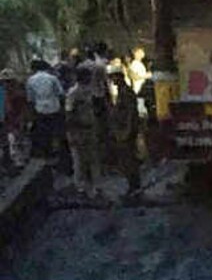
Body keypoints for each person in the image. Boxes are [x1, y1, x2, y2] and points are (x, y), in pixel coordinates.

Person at [66, 66, 101, 197]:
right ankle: (80, 187)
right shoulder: (73, 93)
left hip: (90, 129)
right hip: (78, 131)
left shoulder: (90, 91)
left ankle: (96, 186)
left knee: (93, 159)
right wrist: (73, 134)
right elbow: (69, 114)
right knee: (79, 161)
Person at [107, 66, 141, 196]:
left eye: (114, 77)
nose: (113, 80)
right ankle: (132, 186)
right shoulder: (122, 92)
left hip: (126, 132)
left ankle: (134, 187)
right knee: (126, 160)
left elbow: (131, 113)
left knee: (129, 160)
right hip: (122, 131)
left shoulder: (126, 92)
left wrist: (127, 131)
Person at [26, 59, 64, 160]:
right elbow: (60, 94)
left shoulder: (30, 80)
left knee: (44, 134)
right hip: (54, 108)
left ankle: (48, 154)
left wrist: (31, 115)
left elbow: (30, 99)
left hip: (40, 110)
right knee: (56, 132)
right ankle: (58, 153)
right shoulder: (52, 78)